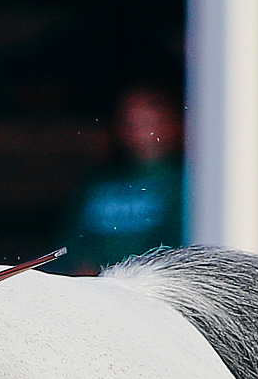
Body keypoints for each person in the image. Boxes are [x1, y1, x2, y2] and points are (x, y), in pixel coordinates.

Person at [59, 82, 184, 275]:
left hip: (155, 281)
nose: (139, 132)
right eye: (130, 123)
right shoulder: (98, 182)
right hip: (95, 284)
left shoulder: (185, 180)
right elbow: (72, 243)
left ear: (171, 123)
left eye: (147, 123)